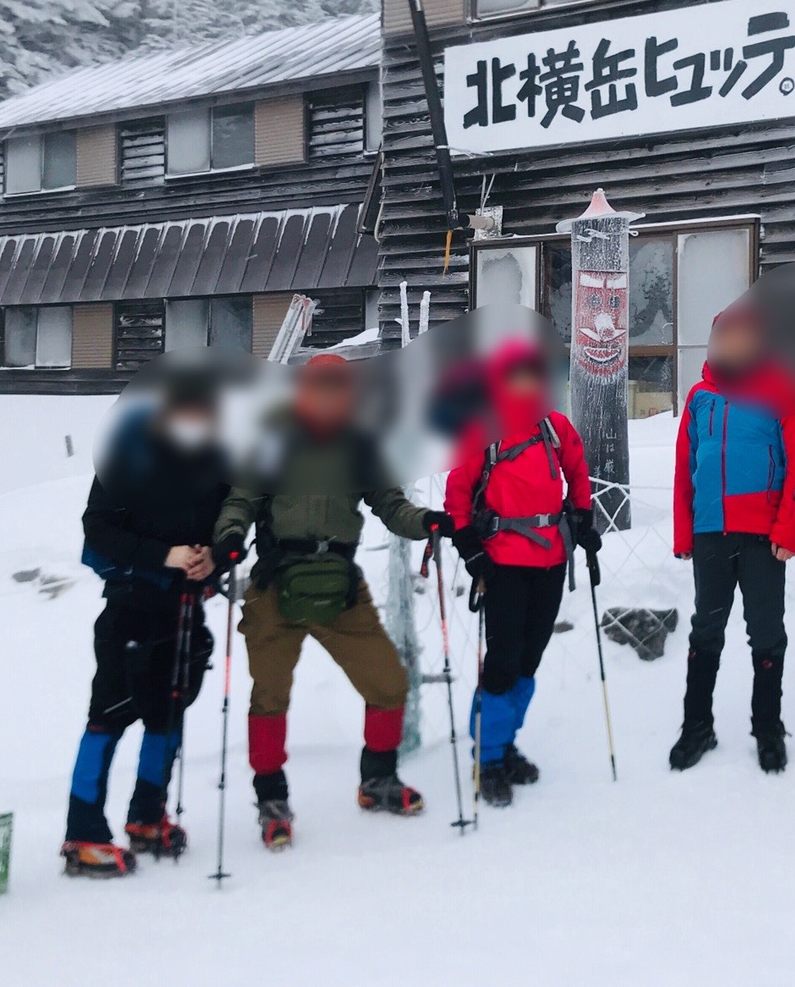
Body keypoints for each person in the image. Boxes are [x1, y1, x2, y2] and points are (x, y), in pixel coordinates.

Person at [212, 353, 452, 849]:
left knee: (387, 683)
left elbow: (390, 504)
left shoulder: (361, 445)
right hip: (276, 585)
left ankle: (378, 780)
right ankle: (271, 799)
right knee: (269, 696)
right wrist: (230, 536)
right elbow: (240, 499)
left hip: (340, 584)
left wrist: (424, 521)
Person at [61, 372, 230, 877]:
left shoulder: (216, 467)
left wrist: (212, 561)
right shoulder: (127, 459)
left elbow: (226, 529)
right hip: (130, 608)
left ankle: (146, 816)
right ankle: (82, 834)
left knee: (168, 714)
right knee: (109, 715)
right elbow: (97, 530)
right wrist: (167, 555)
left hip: (183, 612)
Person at [445, 340, 595, 808]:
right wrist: (469, 548)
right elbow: (457, 494)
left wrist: (584, 518)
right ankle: (487, 758)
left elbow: (578, 470)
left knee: (529, 657)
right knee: (504, 661)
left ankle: (504, 744)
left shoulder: (554, 425)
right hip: (504, 563)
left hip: (551, 561)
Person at [668, 304, 795, 774]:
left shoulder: (784, 392)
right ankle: (697, 728)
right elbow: (684, 471)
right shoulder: (699, 397)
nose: (731, 346)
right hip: (710, 531)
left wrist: (789, 530)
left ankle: (767, 729)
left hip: (763, 536)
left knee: (766, 634)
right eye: (723, 338)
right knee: (705, 630)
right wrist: (684, 531)